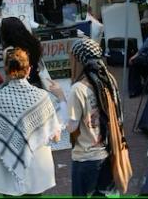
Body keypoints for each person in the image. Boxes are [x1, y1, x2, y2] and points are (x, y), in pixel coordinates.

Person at [0, 48, 61, 196]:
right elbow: (55, 136)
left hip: (7, 166)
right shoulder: (42, 97)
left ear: (6, 69)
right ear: (29, 69)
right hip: (36, 167)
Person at [50, 38, 119, 197]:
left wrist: (61, 98)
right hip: (108, 154)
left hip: (85, 157)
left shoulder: (78, 89)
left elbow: (71, 126)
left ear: (78, 60)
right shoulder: (110, 81)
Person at [0, 17, 43, 88]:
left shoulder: (9, 51)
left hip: (17, 86)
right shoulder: (35, 43)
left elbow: (9, 76)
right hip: (36, 82)